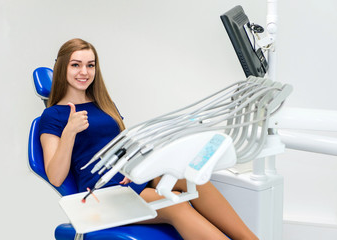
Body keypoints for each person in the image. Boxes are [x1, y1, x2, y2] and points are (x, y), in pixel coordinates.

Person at [39, 38, 258, 240]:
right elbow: (56, 177)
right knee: (176, 206)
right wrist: (69, 132)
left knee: (192, 178)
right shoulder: (53, 115)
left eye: (90, 65)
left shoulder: (103, 104)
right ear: (62, 68)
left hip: (127, 178)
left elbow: (123, 145)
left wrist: (133, 166)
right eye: (76, 65)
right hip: (101, 193)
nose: (84, 72)